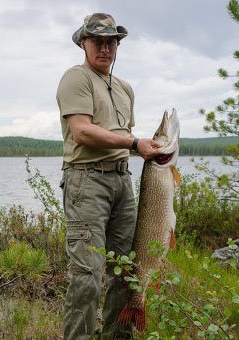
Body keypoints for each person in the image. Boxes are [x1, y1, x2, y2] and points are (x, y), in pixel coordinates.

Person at [56, 13, 161, 340]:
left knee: (125, 272)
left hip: (122, 182)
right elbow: (83, 132)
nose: (105, 48)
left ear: (117, 45)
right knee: (87, 276)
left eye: (111, 41)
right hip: (86, 182)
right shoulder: (76, 78)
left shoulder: (125, 88)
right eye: (97, 41)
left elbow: (121, 135)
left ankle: (118, 336)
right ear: (83, 43)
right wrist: (134, 143)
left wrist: (145, 147)